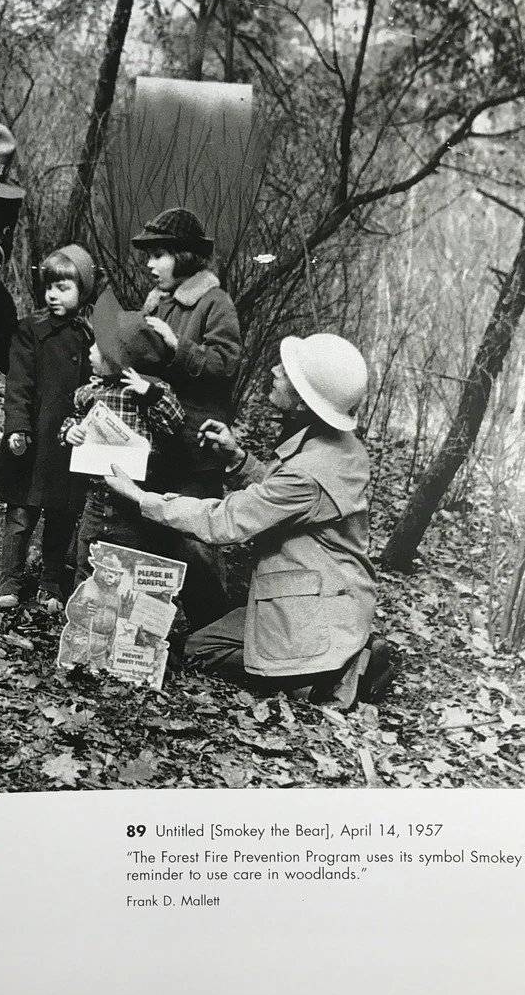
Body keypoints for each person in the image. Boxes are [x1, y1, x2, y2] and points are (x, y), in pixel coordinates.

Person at [104, 333, 392, 707]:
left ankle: (334, 675)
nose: (275, 371)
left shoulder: (308, 472)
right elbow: (283, 498)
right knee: (207, 641)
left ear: (304, 402)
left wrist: (141, 498)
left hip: (310, 604)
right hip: (327, 592)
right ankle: (338, 650)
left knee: (200, 652)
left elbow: (225, 521)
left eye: (287, 372)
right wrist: (237, 458)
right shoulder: (337, 448)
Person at [131, 206, 241, 628]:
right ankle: (152, 627)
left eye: (159, 255)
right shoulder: (158, 302)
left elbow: (225, 363)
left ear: (184, 256)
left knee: (196, 541)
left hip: (196, 445)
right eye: (149, 255)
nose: (150, 264)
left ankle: (213, 630)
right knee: (151, 532)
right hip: (158, 440)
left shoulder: (215, 302)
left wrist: (178, 346)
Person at [0, 244, 96, 611]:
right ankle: (8, 580)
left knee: (62, 514)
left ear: (83, 291)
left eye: (64, 288)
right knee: (21, 513)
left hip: (70, 441)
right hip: (33, 438)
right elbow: (18, 384)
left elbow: (96, 389)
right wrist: (17, 427)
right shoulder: (31, 329)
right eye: (49, 287)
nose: (53, 295)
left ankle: (50, 583)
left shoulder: (89, 336)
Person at [62, 294, 184, 587]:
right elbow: (72, 420)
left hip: (132, 502)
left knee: (127, 565)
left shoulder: (149, 392)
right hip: (95, 498)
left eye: (99, 348)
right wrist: (69, 432)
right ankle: (83, 609)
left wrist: (150, 394)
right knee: (86, 558)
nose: (91, 351)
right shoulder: (92, 392)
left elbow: (174, 422)